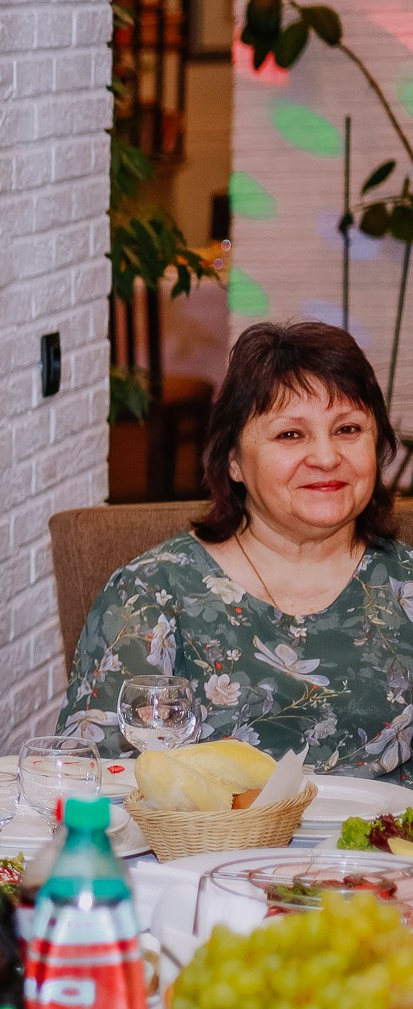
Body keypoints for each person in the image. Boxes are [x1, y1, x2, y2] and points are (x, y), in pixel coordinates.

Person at [64, 320, 413, 776]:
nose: (327, 457)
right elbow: (95, 782)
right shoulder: (150, 596)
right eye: (291, 434)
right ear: (233, 460)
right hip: (206, 847)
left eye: (348, 429)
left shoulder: (405, 588)